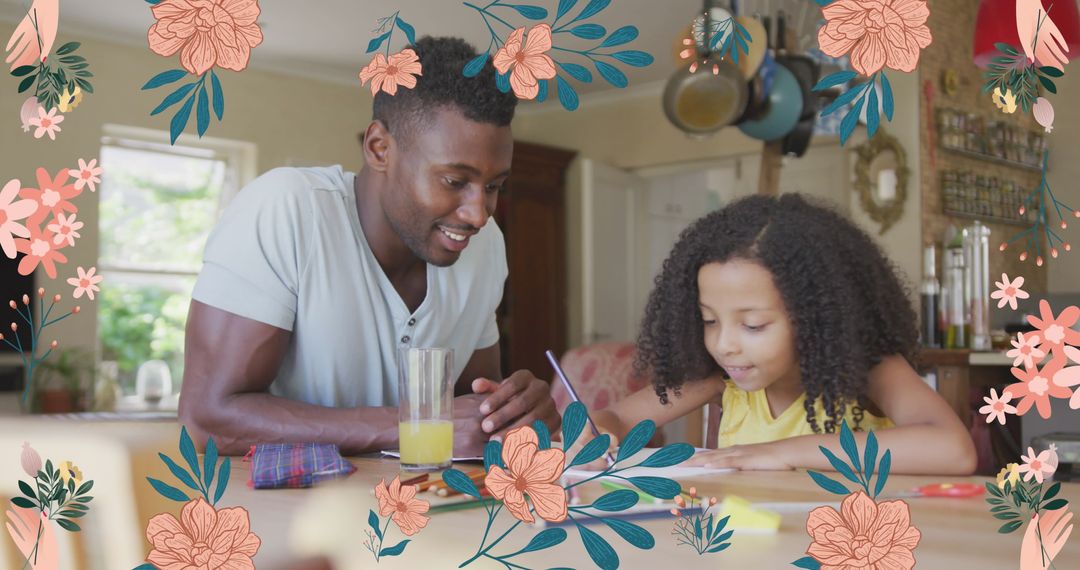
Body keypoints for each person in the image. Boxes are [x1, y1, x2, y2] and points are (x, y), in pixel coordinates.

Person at [179, 37, 560, 456]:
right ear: (380, 148)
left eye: (494, 186)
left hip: (422, 513)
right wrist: (412, 427)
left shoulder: (486, 246)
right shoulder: (286, 209)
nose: (478, 214)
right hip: (283, 514)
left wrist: (512, 412)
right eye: (454, 181)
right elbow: (206, 419)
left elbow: (468, 414)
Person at [583, 193, 977, 474]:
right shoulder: (720, 377)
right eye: (709, 320)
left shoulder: (866, 371)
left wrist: (782, 453)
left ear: (815, 317)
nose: (724, 345)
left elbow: (954, 450)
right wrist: (597, 433)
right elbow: (618, 415)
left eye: (753, 325)